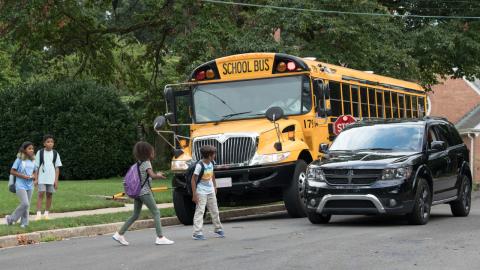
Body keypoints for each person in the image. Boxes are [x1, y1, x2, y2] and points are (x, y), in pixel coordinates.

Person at [113, 141, 174, 246]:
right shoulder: (146, 163)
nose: (153, 153)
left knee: (135, 215)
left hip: (137, 193)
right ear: (148, 152)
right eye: (152, 151)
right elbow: (152, 175)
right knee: (156, 212)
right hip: (144, 192)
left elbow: (144, 178)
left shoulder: (138, 163)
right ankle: (160, 237)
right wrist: (158, 175)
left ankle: (119, 234)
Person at [191, 145, 224, 240]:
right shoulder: (199, 165)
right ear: (209, 155)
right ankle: (197, 232)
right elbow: (193, 180)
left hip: (210, 191)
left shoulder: (211, 163)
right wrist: (194, 194)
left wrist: (214, 186)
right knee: (200, 211)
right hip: (201, 192)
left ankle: (218, 229)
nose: (215, 155)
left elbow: (212, 174)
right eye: (214, 154)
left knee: (215, 210)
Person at [5, 142, 37, 228]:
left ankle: (24, 223)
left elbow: (35, 171)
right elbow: (12, 171)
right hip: (20, 185)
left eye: (32, 149)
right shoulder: (19, 159)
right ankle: (11, 219)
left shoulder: (33, 160)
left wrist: (34, 177)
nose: (31, 150)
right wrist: (23, 176)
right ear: (24, 150)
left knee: (27, 205)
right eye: (29, 148)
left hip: (30, 185)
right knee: (25, 203)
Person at [34, 134, 62, 220]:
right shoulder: (40, 152)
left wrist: (56, 181)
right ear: (44, 143)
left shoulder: (55, 153)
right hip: (42, 178)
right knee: (41, 194)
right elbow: (36, 167)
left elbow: (57, 168)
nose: (50, 143)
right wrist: (36, 178)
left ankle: (46, 213)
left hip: (51, 178)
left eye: (52, 142)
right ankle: (38, 214)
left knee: (49, 195)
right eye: (48, 142)